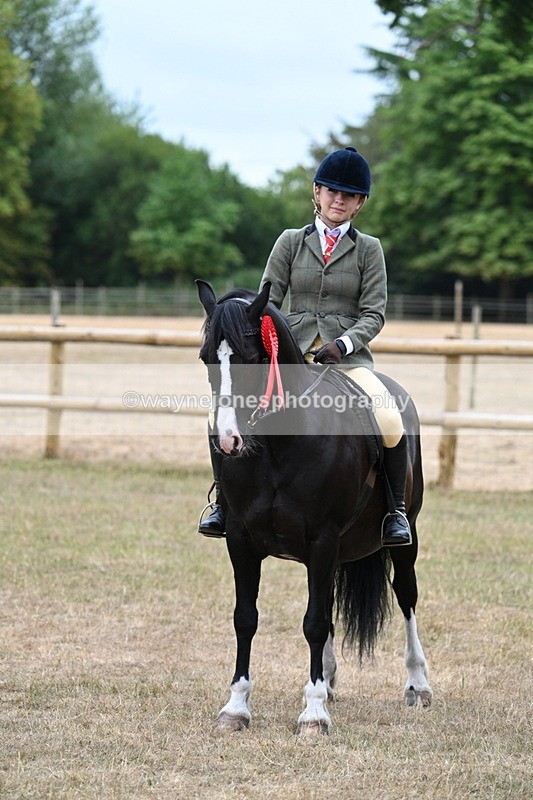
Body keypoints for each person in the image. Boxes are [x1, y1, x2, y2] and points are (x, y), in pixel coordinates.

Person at [199, 146, 411, 547]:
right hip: (286, 357)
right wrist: (269, 346)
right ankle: (222, 503)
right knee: (218, 413)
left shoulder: (369, 250)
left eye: (348, 195)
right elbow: (266, 302)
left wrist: (344, 344)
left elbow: (374, 313)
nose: (338, 199)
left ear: (360, 203)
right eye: (331, 191)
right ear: (317, 192)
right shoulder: (290, 242)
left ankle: (395, 512)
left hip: (346, 362)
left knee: (388, 417)